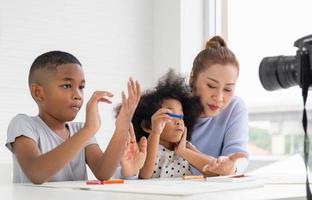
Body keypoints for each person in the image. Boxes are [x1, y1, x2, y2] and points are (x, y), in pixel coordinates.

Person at [5, 50, 145, 183]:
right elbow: (36, 173)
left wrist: (121, 129)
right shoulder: (23, 124)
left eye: (81, 87)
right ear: (38, 93)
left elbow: (103, 172)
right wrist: (89, 129)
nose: (78, 95)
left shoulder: (80, 130)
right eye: (67, 86)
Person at [129, 70, 218, 179]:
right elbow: (145, 175)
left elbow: (215, 171)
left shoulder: (185, 147)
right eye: (170, 114)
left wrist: (184, 151)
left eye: (181, 116)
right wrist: (156, 133)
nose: (179, 121)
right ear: (148, 125)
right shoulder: (144, 147)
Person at [189, 35, 248, 176]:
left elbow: (238, 155)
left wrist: (231, 166)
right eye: (211, 85)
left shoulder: (235, 107)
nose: (219, 97)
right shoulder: (173, 105)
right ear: (193, 78)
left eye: (228, 89)